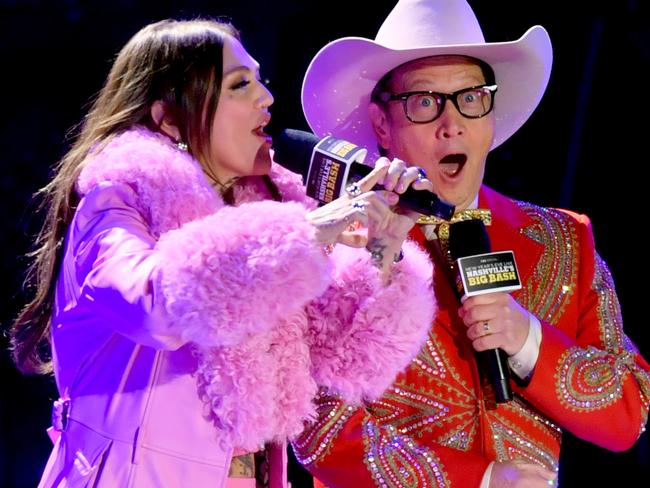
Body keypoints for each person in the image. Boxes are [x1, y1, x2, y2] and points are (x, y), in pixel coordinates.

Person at [9, 17, 439, 488]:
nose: (267, 99)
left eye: (261, 82)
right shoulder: (114, 202)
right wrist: (306, 230)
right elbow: (156, 303)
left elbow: (344, 353)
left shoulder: (266, 210)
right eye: (240, 85)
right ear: (169, 118)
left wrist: (386, 239)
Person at [292, 0, 650, 487]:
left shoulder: (563, 240)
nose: (452, 123)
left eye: (471, 98)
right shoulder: (338, 241)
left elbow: (627, 411)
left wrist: (525, 337)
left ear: (490, 116)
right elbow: (319, 426)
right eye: (424, 102)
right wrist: (480, 480)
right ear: (381, 124)